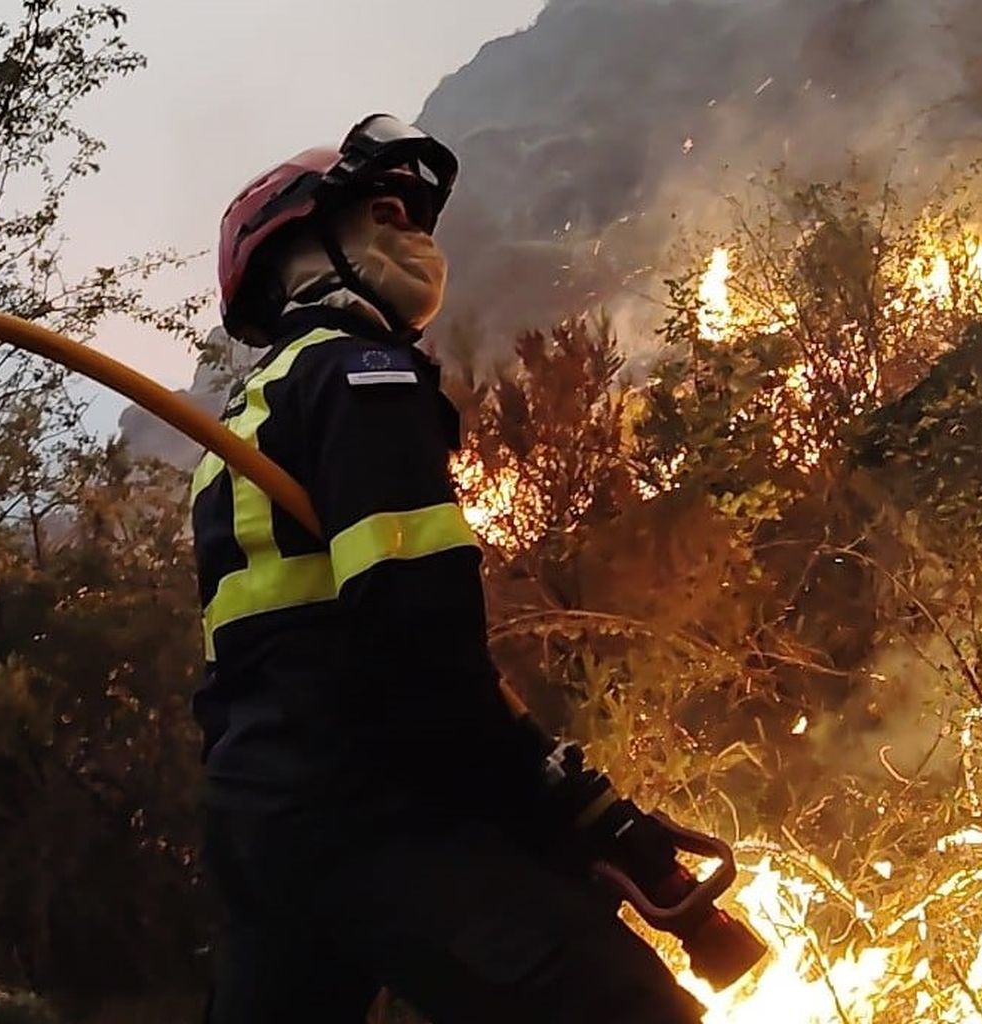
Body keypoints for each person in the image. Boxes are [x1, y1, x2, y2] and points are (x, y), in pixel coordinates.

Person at [191, 115, 706, 1023]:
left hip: (262, 821)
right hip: (368, 812)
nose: (417, 239)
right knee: (625, 1006)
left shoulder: (250, 417)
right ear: (304, 248)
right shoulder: (363, 375)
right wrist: (549, 800)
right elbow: (417, 637)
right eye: (388, 213)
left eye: (420, 220)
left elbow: (274, 662)